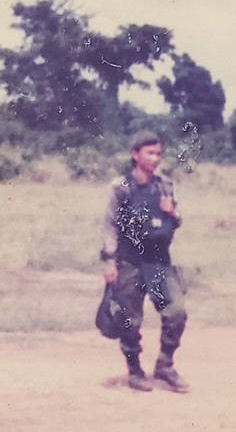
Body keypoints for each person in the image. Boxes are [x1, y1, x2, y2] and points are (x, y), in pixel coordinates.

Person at [100, 131, 190, 393]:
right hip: (130, 262)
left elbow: (175, 222)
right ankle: (134, 369)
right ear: (135, 155)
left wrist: (172, 212)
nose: (155, 158)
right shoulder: (122, 187)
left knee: (176, 312)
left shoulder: (165, 185)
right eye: (150, 153)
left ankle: (165, 365)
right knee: (130, 320)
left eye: (158, 153)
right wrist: (110, 262)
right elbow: (110, 225)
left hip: (159, 262)